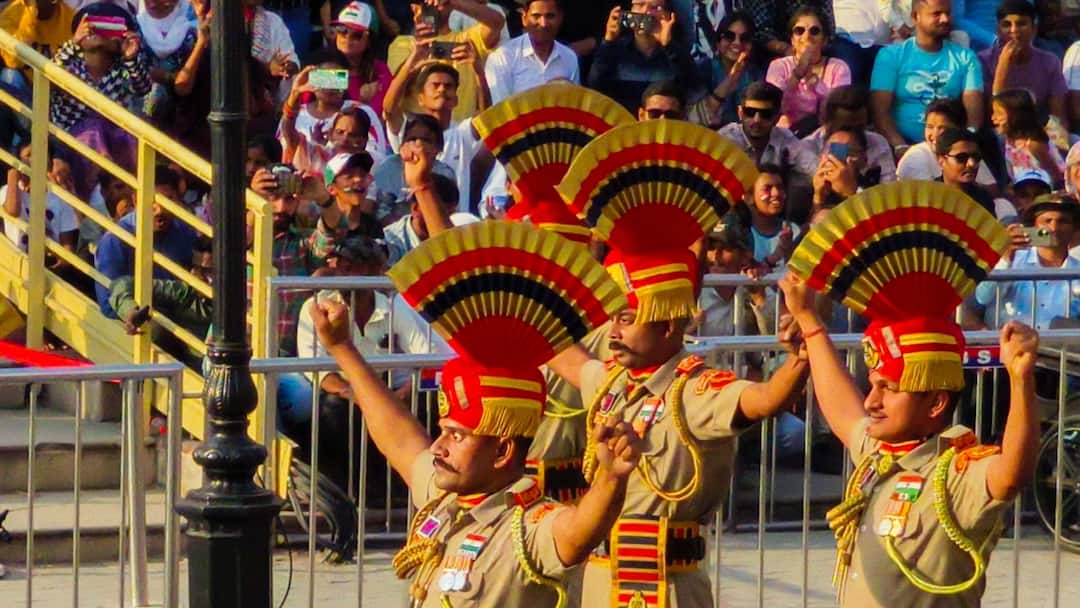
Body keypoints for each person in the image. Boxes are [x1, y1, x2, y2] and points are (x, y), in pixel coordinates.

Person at [310, 219, 644, 608]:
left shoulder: (529, 527)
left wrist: (610, 479)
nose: (437, 447)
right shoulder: (446, 497)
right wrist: (342, 349)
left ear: (502, 451)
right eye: (444, 431)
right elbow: (399, 437)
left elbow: (577, 532)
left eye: (457, 435)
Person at [547, 120, 810, 608]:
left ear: (668, 328)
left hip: (663, 583)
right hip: (600, 576)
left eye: (628, 319)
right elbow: (566, 355)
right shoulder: (615, 383)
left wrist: (801, 355)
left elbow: (763, 400)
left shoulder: (696, 386)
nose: (616, 331)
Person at [780, 180, 1041, 607]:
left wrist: (1020, 380)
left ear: (935, 403)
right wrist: (809, 322)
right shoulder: (880, 453)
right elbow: (843, 409)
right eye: (874, 384)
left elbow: (1011, 474)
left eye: (888, 388)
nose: (871, 400)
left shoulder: (954, 471)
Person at [52, 5, 150, 199]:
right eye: (92, 26)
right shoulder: (69, 63)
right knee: (93, 127)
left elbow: (142, 88)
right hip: (68, 147)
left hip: (115, 145)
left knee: (135, 131)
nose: (97, 33)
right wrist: (74, 42)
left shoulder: (122, 69)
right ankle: (96, 196)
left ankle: (135, 194)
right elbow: (50, 75)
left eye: (108, 27)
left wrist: (130, 57)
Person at [869, 0, 983, 153]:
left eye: (948, 14)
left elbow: (973, 105)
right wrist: (900, 147)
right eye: (936, 14)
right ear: (915, 17)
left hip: (951, 148)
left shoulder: (965, 57)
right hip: (903, 144)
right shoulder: (891, 56)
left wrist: (968, 140)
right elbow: (880, 111)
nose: (945, 19)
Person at [94, 166, 197, 317]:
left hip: (178, 314)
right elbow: (108, 302)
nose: (160, 210)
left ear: (178, 201)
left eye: (168, 200)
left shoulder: (184, 231)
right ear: (136, 200)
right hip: (142, 322)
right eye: (153, 200)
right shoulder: (115, 240)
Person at [383, 61, 481, 213]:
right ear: (420, 99)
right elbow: (389, 109)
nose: (442, 90)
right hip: (410, 222)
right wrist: (412, 62)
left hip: (453, 224)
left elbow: (485, 115)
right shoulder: (409, 131)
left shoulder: (463, 133)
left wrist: (479, 71)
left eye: (448, 86)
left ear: (456, 100)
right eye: (435, 85)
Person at [974, 193, 1080, 331]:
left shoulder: (1077, 270)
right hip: (1010, 347)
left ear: (1074, 230)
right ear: (1034, 226)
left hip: (1060, 350)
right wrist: (1005, 259)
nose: (1054, 228)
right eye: (1047, 221)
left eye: (1063, 221)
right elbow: (982, 297)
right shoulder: (1012, 260)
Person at [386, 0, 504, 123]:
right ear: (414, 8)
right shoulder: (402, 43)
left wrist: (455, 3)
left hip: (462, 135)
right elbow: (392, 98)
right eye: (425, 2)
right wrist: (415, 58)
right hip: (420, 132)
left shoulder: (467, 40)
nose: (433, 4)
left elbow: (497, 23)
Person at [587, 0, 699, 113]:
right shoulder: (616, 49)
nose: (646, 11)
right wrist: (608, 41)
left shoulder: (675, 53)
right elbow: (595, 86)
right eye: (640, 5)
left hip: (663, 125)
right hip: (624, 125)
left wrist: (668, 45)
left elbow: (694, 87)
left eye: (655, 7)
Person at [0, 0, 76, 154]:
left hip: (54, 94)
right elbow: (13, 61)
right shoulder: (13, 12)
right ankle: (21, 142)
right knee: (9, 75)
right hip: (24, 92)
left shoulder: (69, 18)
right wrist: (30, 17)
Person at [978, 0, 1068, 130]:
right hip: (1000, 131)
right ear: (998, 30)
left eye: (1021, 24)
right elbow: (994, 115)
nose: (1014, 30)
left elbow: (1058, 116)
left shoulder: (1050, 62)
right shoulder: (983, 60)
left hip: (1039, 131)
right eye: (1007, 25)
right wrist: (1003, 66)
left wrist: (1052, 140)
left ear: (1034, 29)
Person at [764, 5, 850, 136]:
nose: (807, 36)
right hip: (786, 134)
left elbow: (838, 113)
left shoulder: (838, 67)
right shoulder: (778, 66)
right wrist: (797, 75)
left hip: (825, 134)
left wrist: (817, 86)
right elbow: (775, 108)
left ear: (825, 40)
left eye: (814, 31)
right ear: (792, 40)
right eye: (799, 30)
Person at [108, 234, 212, 338]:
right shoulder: (185, 293)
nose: (196, 274)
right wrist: (130, 309)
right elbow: (122, 284)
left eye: (208, 270)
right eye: (195, 267)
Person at [484, 0, 578, 105]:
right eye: (536, 16)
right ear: (524, 18)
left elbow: (574, 109)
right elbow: (503, 114)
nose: (543, 23)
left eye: (550, 16)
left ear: (560, 18)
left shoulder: (569, 58)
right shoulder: (502, 58)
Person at [1, 142, 79, 269]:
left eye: (40, 153)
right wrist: (13, 176)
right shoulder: (8, 191)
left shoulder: (60, 199)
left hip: (49, 265)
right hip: (15, 263)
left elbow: (67, 247)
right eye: (29, 155)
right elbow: (13, 210)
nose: (35, 158)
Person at [717, 81, 817, 176]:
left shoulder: (784, 138)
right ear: (740, 113)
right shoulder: (725, 139)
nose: (757, 120)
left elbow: (811, 165)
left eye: (765, 114)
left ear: (776, 118)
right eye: (750, 112)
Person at [802, 85, 897, 185]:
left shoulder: (878, 143)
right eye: (845, 128)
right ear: (827, 122)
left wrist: (862, 172)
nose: (850, 136)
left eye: (857, 128)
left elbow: (889, 190)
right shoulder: (808, 148)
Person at [371, 112, 455, 224]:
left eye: (426, 140)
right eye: (412, 139)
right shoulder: (388, 167)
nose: (418, 144)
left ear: (438, 148)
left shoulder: (445, 173)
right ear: (402, 144)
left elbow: (447, 214)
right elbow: (380, 213)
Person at [896, 97, 997, 189]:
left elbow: (993, 188)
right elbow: (928, 197)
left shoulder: (966, 150)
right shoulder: (916, 156)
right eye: (930, 127)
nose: (935, 134)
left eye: (942, 128)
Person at [688, 10, 763, 129]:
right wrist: (729, 81)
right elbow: (694, 118)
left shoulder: (757, 73)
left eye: (745, 38)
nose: (737, 43)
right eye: (729, 36)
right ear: (718, 42)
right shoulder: (703, 69)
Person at [933, 127, 1015, 220]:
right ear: (940, 160)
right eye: (961, 157)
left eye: (976, 157)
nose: (971, 164)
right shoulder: (928, 199)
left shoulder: (983, 198)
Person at [990, 89, 1065, 187]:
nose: (993, 117)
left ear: (1017, 116)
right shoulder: (1006, 140)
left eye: (999, 113)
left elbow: (1055, 176)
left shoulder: (1034, 144)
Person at [330, 1, 393, 117]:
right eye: (342, 30)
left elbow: (386, 115)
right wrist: (362, 103)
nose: (347, 38)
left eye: (357, 34)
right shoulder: (324, 67)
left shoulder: (380, 71)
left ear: (370, 40)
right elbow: (323, 113)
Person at [745, 163, 800, 269]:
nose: (776, 193)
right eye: (767, 188)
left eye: (780, 187)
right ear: (749, 197)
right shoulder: (740, 233)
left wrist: (789, 249)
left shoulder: (795, 231)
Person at [811, 127, 876, 209]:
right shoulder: (805, 190)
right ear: (821, 156)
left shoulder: (874, 191)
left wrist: (849, 193)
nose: (837, 159)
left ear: (864, 159)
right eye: (832, 151)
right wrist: (818, 199)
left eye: (850, 151)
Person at [742, 0, 834, 58]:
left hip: (817, 46)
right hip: (773, 48)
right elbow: (760, 31)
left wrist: (813, 51)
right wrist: (786, 49)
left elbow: (829, 30)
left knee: (844, 50)